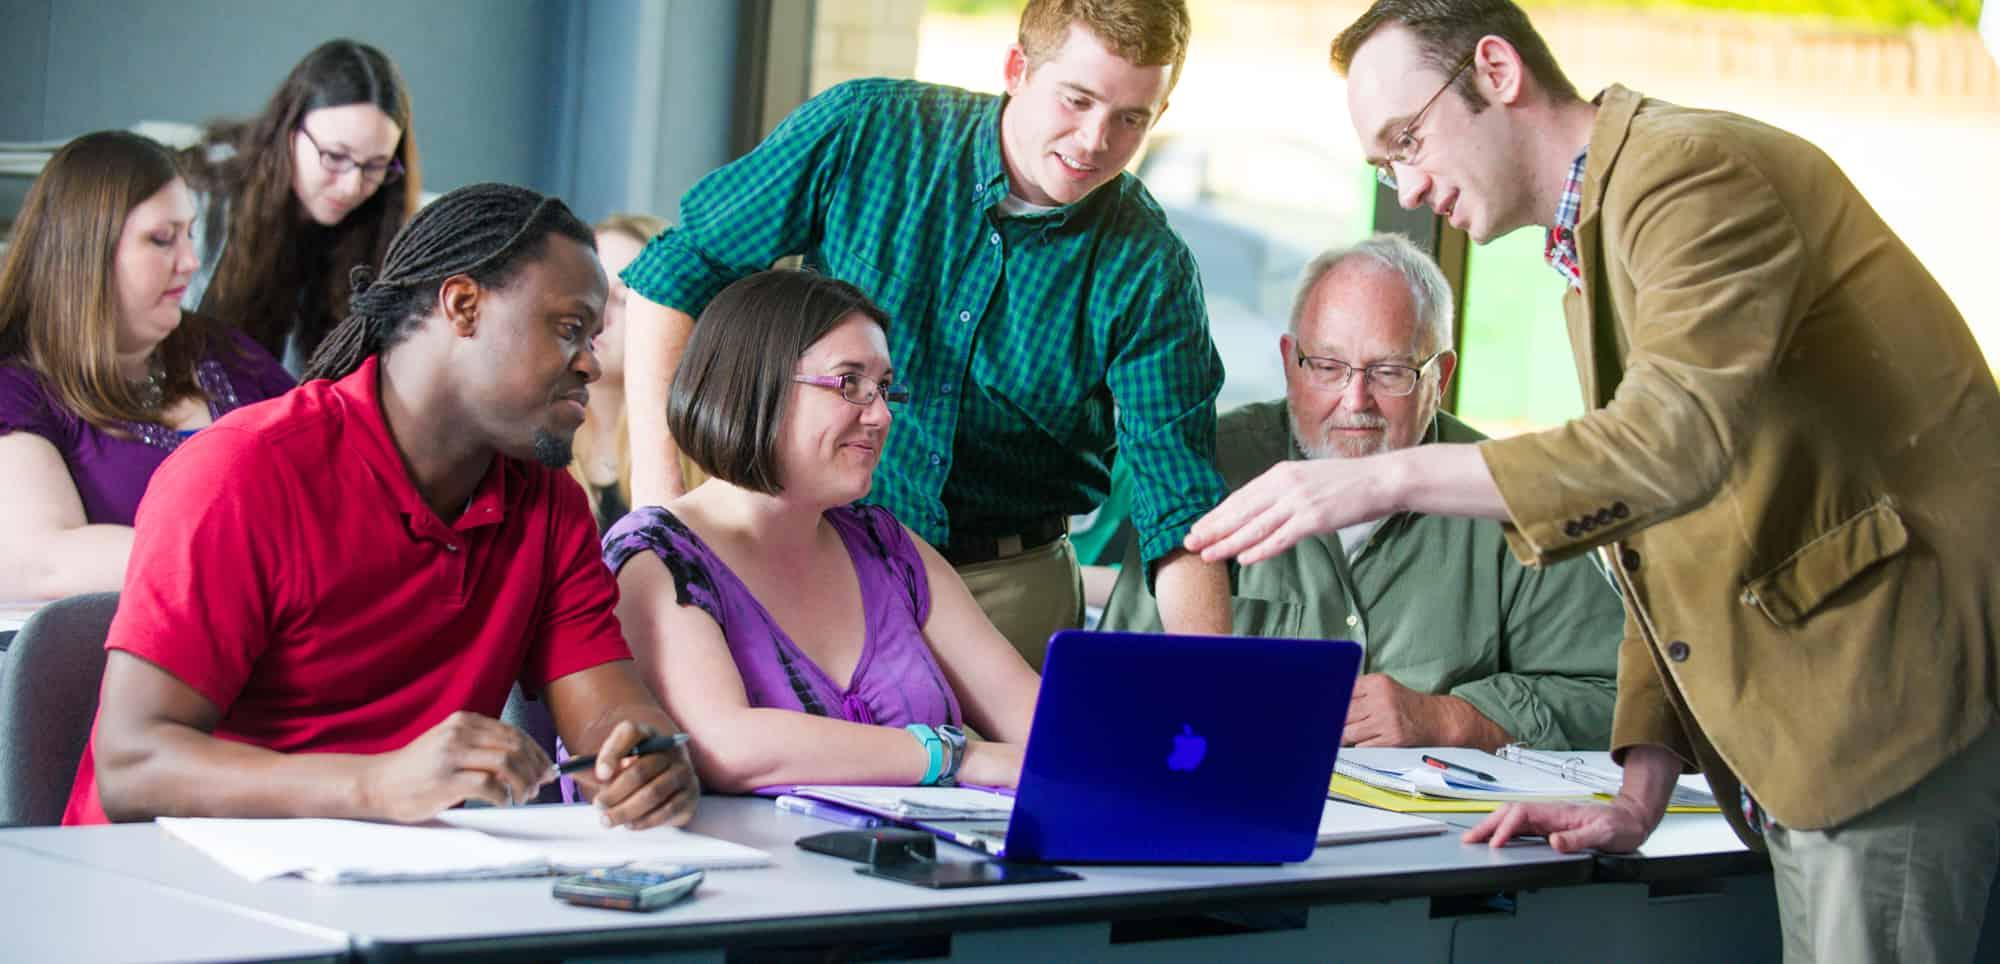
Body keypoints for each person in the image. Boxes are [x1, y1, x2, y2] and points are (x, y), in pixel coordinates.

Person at [1185, 1, 2000, 959]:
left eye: (1407, 139)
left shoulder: (1691, 179)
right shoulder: (1595, 242)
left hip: (1884, 696)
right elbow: (1669, 525)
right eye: (1381, 164)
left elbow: (1671, 446)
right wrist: (1640, 788)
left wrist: (1385, 480)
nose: (1406, 184)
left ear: (1496, 70)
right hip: (1809, 735)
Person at [617, 0, 1232, 668]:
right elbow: (673, 275)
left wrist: (1212, 688)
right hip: (812, 554)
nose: (1094, 140)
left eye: (1130, 118)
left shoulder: (1150, 267)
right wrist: (661, 512)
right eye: (1076, 100)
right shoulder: (865, 132)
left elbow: (1178, 502)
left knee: (1014, 767)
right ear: (1016, 69)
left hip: (1007, 586)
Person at [64, 182, 697, 830]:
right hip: (165, 891)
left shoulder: (549, 504)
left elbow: (604, 713)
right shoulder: (242, 472)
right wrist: (374, 785)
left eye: (594, 337)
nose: (590, 364)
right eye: (570, 329)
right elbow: (132, 767)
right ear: (463, 306)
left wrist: (641, 757)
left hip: (378, 887)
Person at [1103, 234, 1620, 751]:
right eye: (1328, 367)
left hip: (1440, 828)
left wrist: (1452, 719)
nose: (1355, 401)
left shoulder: (1497, 491)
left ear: (1440, 377)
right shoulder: (1203, 476)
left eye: (1389, 371)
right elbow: (1111, 684)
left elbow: (1618, 699)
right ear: (1289, 362)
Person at [605, 269, 1040, 793]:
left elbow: (1041, 726)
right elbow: (723, 745)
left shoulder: (887, 545)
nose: (881, 415)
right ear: (754, 386)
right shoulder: (657, 554)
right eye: (849, 383)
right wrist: (952, 756)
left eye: (883, 388)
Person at [0, 131, 293, 602]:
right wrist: (245, 554)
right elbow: (40, 561)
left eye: (190, 234)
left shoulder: (222, 351)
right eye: (162, 240)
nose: (191, 262)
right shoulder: (18, 392)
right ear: (86, 254)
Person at [179, 38, 420, 370]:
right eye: (335, 156)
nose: (352, 187)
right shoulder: (199, 201)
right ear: (288, 131)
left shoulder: (381, 231)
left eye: (376, 165)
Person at [568, 212, 690, 531]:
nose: (598, 314)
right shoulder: (532, 442)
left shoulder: (694, 454)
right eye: (588, 291)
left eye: (624, 298)